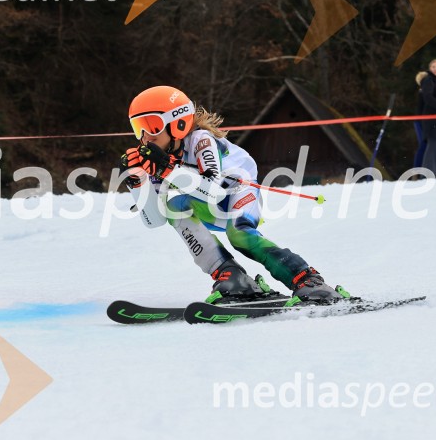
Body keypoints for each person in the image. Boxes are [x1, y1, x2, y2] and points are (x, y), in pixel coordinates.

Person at [119, 85, 348, 305]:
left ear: (177, 123)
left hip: (238, 193)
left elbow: (214, 192)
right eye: (138, 127)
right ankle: (233, 277)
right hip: (210, 203)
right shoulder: (159, 161)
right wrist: (137, 183)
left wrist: (169, 169)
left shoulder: (201, 141)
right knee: (173, 204)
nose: (145, 136)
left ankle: (307, 279)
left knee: (239, 236)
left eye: (152, 125)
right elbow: (155, 220)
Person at [413, 71, 429, 168]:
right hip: (420, 121)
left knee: (425, 144)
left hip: (423, 121)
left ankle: (421, 167)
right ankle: (418, 168)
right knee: (424, 144)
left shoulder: (424, 91)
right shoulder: (423, 91)